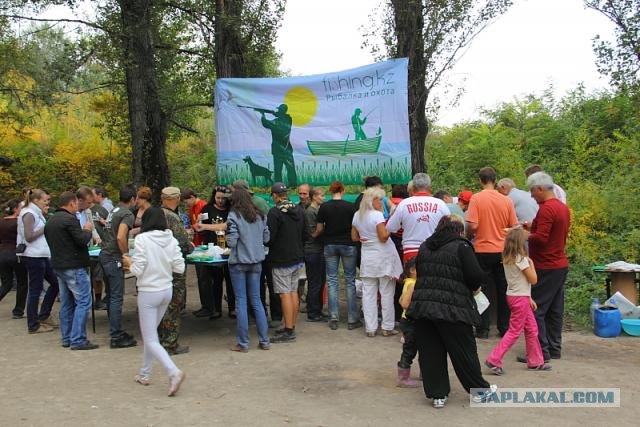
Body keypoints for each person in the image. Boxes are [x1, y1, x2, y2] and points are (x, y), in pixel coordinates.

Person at [406, 215, 496, 409]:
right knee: (464, 351)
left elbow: (420, 271)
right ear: (459, 231)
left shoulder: (424, 246)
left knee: (431, 352)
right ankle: (479, 391)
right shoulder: (462, 247)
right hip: (453, 308)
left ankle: (438, 395)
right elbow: (474, 277)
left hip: (424, 307)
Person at [122, 207, 186, 396]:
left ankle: (173, 372)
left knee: (150, 338)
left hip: (149, 292)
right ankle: (145, 373)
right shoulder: (171, 239)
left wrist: (129, 264)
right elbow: (180, 267)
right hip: (166, 289)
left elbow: (138, 269)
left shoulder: (142, 239)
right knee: (152, 337)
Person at [519, 171, 570, 363]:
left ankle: (540, 351)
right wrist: (532, 226)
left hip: (546, 265)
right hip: (559, 264)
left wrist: (522, 236)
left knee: (536, 308)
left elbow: (542, 238)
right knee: (555, 309)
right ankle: (554, 348)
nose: (531, 195)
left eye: (532, 191)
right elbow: (552, 231)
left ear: (540, 189)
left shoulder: (547, 208)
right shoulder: (561, 207)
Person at [485, 228, 551, 374]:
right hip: (520, 299)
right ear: (521, 243)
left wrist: (529, 298)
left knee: (532, 329)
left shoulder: (508, 258)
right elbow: (533, 280)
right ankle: (494, 359)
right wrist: (531, 264)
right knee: (515, 331)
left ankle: (535, 361)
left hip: (517, 296)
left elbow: (519, 281)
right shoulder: (521, 259)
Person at [465, 167, 518, 339]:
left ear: (480, 180)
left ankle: (483, 328)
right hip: (503, 250)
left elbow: (472, 225)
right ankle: (504, 327)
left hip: (482, 249)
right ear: (495, 180)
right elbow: (514, 226)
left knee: (482, 289)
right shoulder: (506, 200)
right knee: (504, 289)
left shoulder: (476, 199)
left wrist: (468, 236)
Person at [44, 191, 97, 350]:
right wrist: (87, 230)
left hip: (59, 265)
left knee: (67, 302)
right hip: (73, 266)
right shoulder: (69, 220)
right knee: (83, 301)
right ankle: (78, 339)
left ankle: (67, 337)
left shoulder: (51, 220)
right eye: (76, 204)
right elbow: (81, 241)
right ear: (72, 203)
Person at [351, 187, 402, 337]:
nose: (381, 202)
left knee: (368, 293)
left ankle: (370, 327)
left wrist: (364, 239)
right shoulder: (377, 216)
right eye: (379, 199)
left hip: (367, 256)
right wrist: (391, 227)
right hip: (383, 256)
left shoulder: (357, 215)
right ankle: (387, 326)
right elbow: (383, 237)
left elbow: (354, 237)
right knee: (386, 292)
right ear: (372, 200)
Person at [225, 188, 271, 352]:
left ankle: (243, 343)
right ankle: (264, 341)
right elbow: (266, 238)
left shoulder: (233, 216)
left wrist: (227, 235)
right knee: (257, 300)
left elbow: (231, 242)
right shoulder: (260, 215)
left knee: (241, 302)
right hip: (256, 262)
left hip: (239, 262)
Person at [314, 181, 360, 331]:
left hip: (330, 245)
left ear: (330, 191)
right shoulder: (351, 206)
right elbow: (355, 227)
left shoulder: (324, 207)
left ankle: (333, 317)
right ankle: (352, 319)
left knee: (332, 280)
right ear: (343, 190)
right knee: (349, 281)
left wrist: (313, 235)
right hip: (348, 245)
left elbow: (320, 228)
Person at [266, 182, 306, 343]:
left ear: (275, 196)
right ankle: (291, 325)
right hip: (297, 257)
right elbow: (306, 235)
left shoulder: (274, 213)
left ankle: (288, 331)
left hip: (281, 259)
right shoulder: (299, 210)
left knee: (285, 294)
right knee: (293, 292)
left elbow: (269, 238)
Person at [100, 186, 138, 348]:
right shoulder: (127, 213)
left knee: (110, 295)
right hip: (114, 257)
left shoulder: (114, 210)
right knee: (116, 297)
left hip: (104, 254)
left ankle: (116, 330)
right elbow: (121, 236)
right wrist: (126, 255)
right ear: (133, 199)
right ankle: (116, 336)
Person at [17, 189, 59, 334]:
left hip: (41, 254)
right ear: (36, 200)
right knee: (35, 290)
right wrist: (46, 227)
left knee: (55, 283)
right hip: (33, 255)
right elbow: (29, 236)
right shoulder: (29, 213)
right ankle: (33, 324)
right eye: (45, 200)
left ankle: (44, 315)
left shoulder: (35, 212)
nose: (47, 203)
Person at [159, 187, 193, 355]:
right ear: (177, 198)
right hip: (174, 266)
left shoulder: (156, 214)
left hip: (159, 266)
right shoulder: (173, 217)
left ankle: (160, 338)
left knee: (161, 304)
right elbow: (182, 243)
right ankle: (170, 342)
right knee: (174, 304)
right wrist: (190, 245)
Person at [386, 173, 450, 262]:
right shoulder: (441, 204)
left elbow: (391, 227)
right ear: (429, 187)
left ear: (413, 188)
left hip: (411, 251)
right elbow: (450, 228)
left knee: (412, 276)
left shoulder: (404, 204)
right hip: (434, 249)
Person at [193, 186, 235, 319]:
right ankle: (216, 309)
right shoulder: (207, 209)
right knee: (215, 280)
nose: (221, 201)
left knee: (231, 279)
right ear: (214, 197)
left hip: (229, 249)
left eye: (223, 198)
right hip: (213, 249)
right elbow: (200, 229)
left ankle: (233, 308)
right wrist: (199, 222)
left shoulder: (231, 210)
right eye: (218, 198)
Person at [0, 199, 28, 319]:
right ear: (16, 209)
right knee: (22, 282)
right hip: (16, 254)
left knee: (6, 283)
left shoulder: (1, 222)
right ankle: (18, 311)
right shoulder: (19, 222)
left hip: (2, 253)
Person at [303, 186, 326, 322]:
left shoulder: (316, 210)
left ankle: (317, 309)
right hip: (313, 251)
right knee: (315, 282)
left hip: (318, 250)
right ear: (314, 197)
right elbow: (313, 233)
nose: (323, 197)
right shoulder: (311, 212)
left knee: (320, 280)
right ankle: (312, 312)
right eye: (321, 195)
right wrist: (322, 230)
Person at [396, 258, 419, 388]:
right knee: (410, 349)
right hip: (411, 321)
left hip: (407, 320)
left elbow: (400, 301)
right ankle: (403, 378)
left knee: (419, 345)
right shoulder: (413, 284)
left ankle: (423, 373)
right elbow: (404, 303)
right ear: (412, 270)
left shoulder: (407, 282)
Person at [261, 104, 297, 186]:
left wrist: (263, 115)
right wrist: (275, 114)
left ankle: (279, 185)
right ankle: (293, 185)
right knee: (289, 169)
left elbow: (266, 123)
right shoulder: (288, 119)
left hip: (278, 150)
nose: (277, 111)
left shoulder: (278, 121)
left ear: (281, 111)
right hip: (286, 149)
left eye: (279, 110)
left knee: (278, 169)